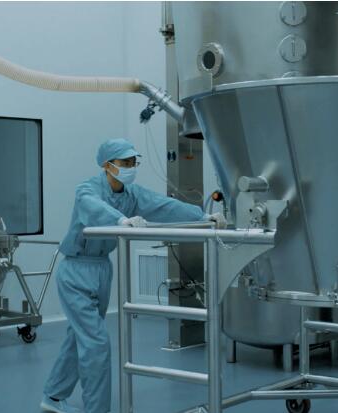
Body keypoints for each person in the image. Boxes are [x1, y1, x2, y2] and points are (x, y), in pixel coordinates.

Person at [41, 138, 224, 413]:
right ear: (107, 165)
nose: (130, 167)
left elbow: (163, 205)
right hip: (76, 271)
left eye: (133, 162)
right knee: (96, 343)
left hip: (102, 268)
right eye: (124, 162)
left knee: (78, 338)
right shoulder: (88, 188)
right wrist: (120, 220)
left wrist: (202, 217)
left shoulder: (132, 194)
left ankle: (53, 397)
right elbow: (92, 207)